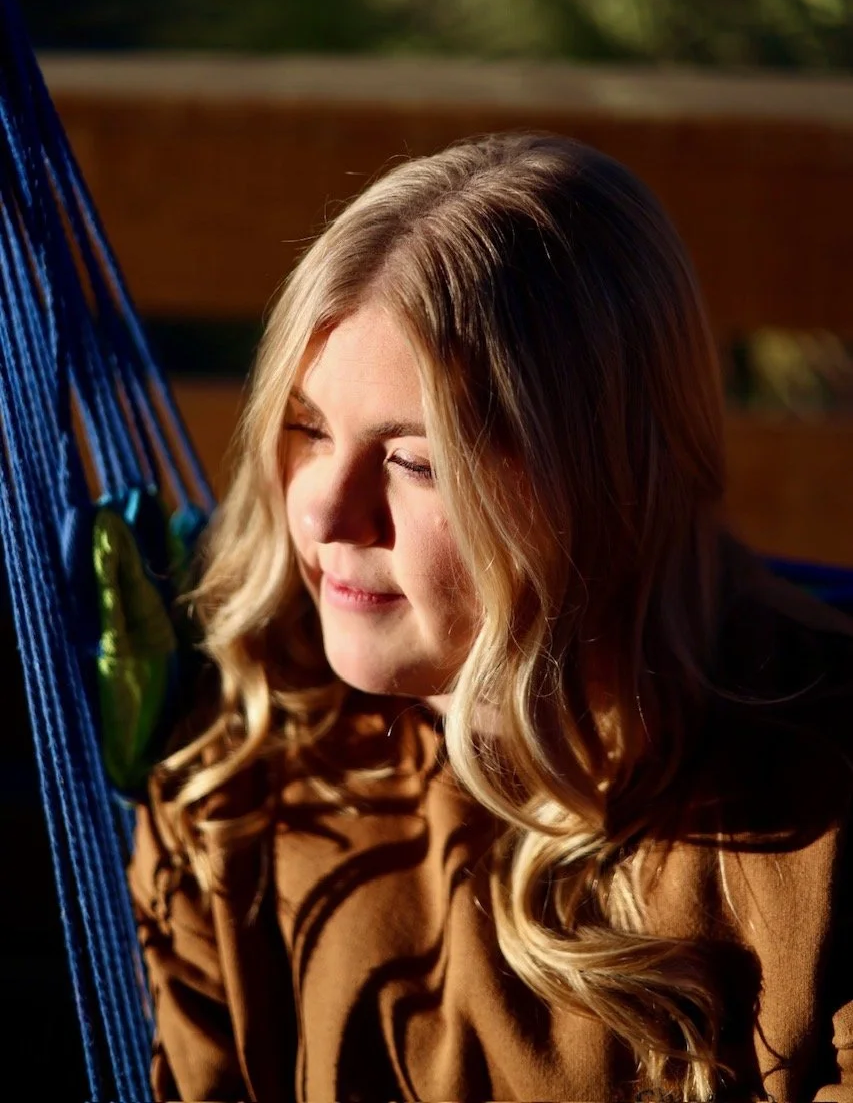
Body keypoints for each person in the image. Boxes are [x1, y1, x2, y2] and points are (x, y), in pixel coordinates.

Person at [129, 132, 853, 1103]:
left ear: (600, 480)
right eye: (306, 427)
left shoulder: (810, 814)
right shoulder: (242, 782)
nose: (327, 511)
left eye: (416, 460)